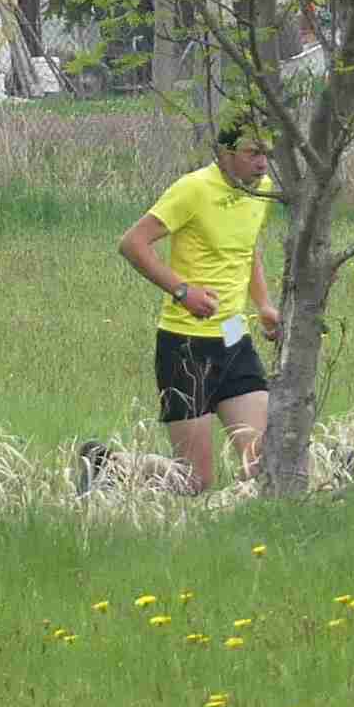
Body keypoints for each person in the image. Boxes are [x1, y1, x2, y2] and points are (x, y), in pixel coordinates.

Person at [101, 121, 282, 495]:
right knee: (195, 482)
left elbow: (248, 248)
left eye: (267, 153)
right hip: (186, 346)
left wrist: (263, 304)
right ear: (225, 154)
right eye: (253, 153)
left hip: (234, 340)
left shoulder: (261, 189)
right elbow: (132, 243)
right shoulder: (193, 188)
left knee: (262, 465)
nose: (263, 163)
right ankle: (112, 464)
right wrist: (182, 292)